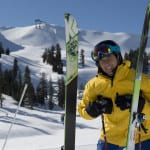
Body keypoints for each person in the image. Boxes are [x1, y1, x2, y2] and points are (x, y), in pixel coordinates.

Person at [78, 40, 150, 150]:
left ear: (118, 57)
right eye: (102, 61)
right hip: (110, 139)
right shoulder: (94, 85)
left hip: (141, 137)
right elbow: (82, 110)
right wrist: (93, 109)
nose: (106, 64)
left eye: (109, 58)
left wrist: (141, 105)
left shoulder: (138, 79)